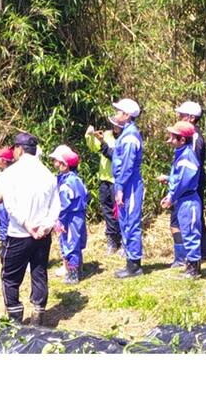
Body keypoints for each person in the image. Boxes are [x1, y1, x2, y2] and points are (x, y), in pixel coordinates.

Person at [0, 132, 62, 324]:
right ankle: (38, 314)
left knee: (10, 276)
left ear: (19, 149)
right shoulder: (48, 174)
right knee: (39, 272)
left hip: (19, 233)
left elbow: (10, 206)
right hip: (42, 235)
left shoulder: (10, 174)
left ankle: (15, 317)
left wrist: (27, 224)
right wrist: (46, 227)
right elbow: (55, 206)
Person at [99, 98, 144, 279]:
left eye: (118, 111)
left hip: (130, 184)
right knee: (125, 221)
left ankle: (134, 265)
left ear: (126, 115)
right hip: (124, 183)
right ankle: (130, 262)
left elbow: (126, 165)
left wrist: (119, 188)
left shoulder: (130, 136)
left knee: (131, 222)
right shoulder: (126, 133)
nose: (116, 114)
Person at [159, 120, 203, 279]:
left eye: (173, 136)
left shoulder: (187, 157)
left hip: (188, 201)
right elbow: (178, 179)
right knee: (186, 231)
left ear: (182, 140)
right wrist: (169, 182)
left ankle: (194, 270)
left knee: (190, 233)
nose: (169, 139)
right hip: (183, 199)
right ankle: (190, 266)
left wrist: (171, 197)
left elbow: (183, 183)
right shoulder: (181, 154)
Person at [174, 101, 206, 260]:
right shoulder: (189, 136)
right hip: (189, 183)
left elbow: (192, 165)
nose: (179, 117)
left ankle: (197, 254)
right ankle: (194, 253)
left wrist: (182, 183)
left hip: (193, 184)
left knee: (194, 217)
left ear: (191, 118)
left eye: (182, 115)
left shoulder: (194, 138)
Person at [49, 145, 87, 284]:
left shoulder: (67, 182)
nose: (54, 163)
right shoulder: (75, 179)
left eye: (56, 161)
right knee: (76, 242)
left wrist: (60, 220)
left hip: (70, 217)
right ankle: (78, 269)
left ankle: (73, 274)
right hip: (78, 215)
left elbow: (64, 205)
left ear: (64, 165)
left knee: (70, 243)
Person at [84, 124, 121, 256]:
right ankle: (112, 240)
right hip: (104, 178)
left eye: (118, 124)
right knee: (107, 210)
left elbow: (114, 156)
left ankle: (123, 240)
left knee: (119, 212)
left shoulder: (124, 139)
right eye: (114, 124)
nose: (115, 126)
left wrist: (101, 141)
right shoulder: (107, 134)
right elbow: (95, 147)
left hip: (117, 180)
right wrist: (89, 135)